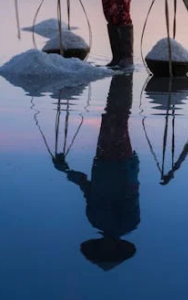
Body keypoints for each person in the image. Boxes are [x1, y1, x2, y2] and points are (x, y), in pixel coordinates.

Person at [55, 73, 140, 270]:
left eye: (103, 250)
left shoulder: (94, 220)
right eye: (109, 251)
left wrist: (66, 170)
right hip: (119, 163)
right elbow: (132, 192)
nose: (106, 247)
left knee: (113, 117)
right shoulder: (128, 223)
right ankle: (122, 78)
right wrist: (132, 165)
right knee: (117, 118)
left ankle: (121, 78)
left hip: (103, 162)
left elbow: (86, 187)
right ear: (116, 247)